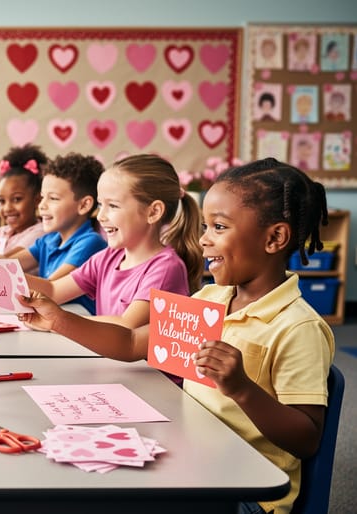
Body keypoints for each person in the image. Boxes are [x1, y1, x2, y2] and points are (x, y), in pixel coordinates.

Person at [18, 158, 333, 514]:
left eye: (218, 227)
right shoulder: (207, 300)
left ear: (274, 238)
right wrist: (59, 320)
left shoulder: (297, 327)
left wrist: (243, 389)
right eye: (204, 226)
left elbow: (307, 438)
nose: (203, 240)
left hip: (245, 492)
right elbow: (131, 343)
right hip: (189, 459)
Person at [26, 154, 202, 329]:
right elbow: (53, 291)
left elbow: (127, 325)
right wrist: (4, 276)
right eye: (101, 205)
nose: (101, 216)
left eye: (113, 206)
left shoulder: (165, 268)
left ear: (154, 212)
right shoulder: (107, 258)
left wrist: (58, 321)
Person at [11, 153, 106, 313]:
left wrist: (1, 271)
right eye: (42, 198)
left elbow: (49, 289)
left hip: (78, 326)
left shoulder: (91, 242)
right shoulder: (48, 240)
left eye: (53, 198)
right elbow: (10, 264)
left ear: (84, 205)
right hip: (52, 321)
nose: (42, 205)